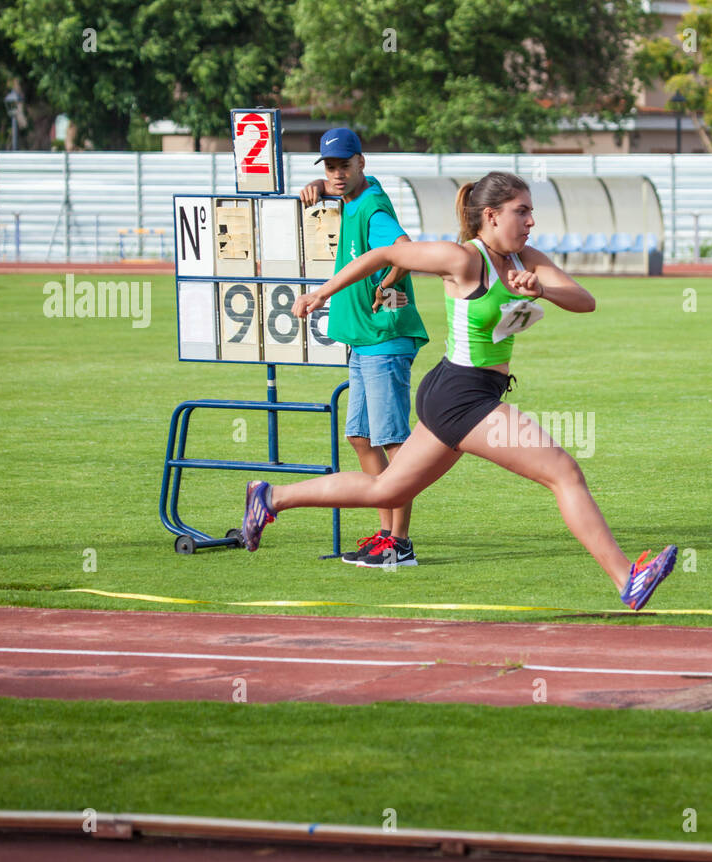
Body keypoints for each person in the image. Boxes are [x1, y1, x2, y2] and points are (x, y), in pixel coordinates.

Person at [240, 171, 677, 610]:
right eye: (521, 212)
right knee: (562, 472)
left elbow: (586, 300)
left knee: (387, 490)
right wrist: (322, 293)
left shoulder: (526, 258)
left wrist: (542, 289)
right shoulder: (463, 259)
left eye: (531, 212)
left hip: (464, 392)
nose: (530, 222)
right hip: (462, 394)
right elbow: (385, 254)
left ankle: (271, 497)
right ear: (491, 215)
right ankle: (628, 577)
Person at [298, 128, 427, 569]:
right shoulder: (353, 196)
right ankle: (386, 532)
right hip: (364, 340)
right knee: (360, 436)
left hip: (384, 340)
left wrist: (391, 276)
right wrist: (323, 189)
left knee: (393, 441)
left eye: (344, 166)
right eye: (329, 167)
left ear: (362, 163)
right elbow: (342, 190)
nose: (337, 173)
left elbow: (404, 247)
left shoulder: (371, 207)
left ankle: (401, 544)